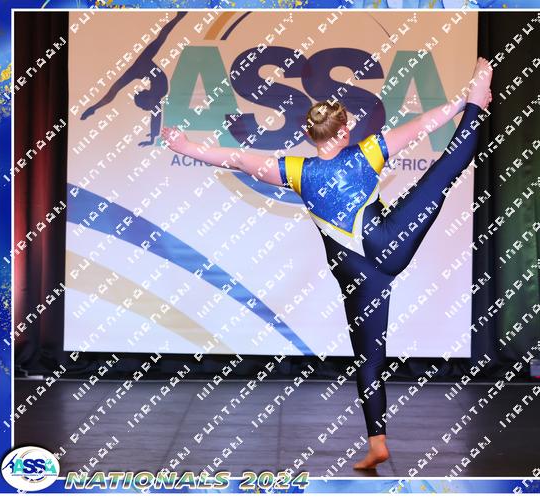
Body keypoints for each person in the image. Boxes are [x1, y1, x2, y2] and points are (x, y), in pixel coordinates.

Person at [162, 57, 493, 469]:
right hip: (391, 242)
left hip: (357, 276)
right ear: (345, 131)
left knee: (368, 358)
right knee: (445, 170)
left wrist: (186, 147)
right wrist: (463, 103)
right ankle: (478, 98)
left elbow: (239, 160)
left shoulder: (297, 171)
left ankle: (377, 442)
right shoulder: (366, 153)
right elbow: (424, 124)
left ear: (308, 134)